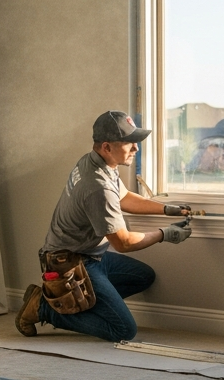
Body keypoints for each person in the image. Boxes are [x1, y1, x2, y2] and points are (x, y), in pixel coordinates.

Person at [15, 111, 194, 342]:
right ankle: (43, 307)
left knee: (142, 276)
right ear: (107, 147)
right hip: (69, 263)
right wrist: (165, 234)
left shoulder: (95, 162)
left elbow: (124, 197)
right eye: (129, 143)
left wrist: (165, 209)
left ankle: (78, 303)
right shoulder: (97, 186)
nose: (136, 149)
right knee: (123, 330)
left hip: (92, 255)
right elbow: (124, 243)